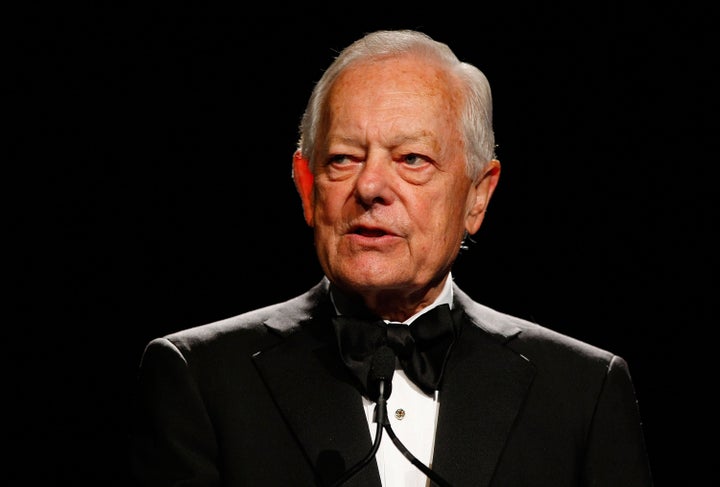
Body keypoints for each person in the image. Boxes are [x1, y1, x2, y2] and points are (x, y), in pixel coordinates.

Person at [129, 29, 653, 487]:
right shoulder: (199, 378)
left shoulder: (584, 391)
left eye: (412, 159)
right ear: (306, 188)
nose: (371, 186)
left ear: (477, 196)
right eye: (343, 158)